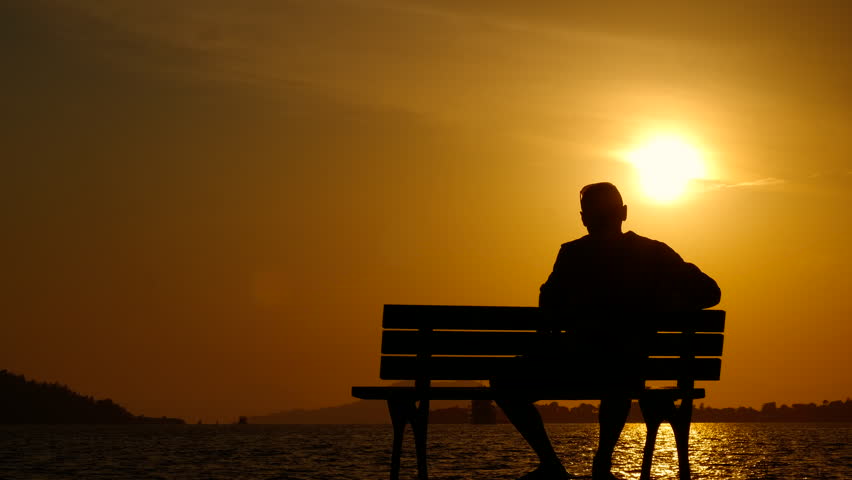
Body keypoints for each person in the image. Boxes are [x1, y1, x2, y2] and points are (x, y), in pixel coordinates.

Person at [492, 182, 721, 480]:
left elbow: (548, 307)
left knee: (503, 379)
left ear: (584, 218)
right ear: (623, 213)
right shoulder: (654, 254)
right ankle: (602, 464)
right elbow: (710, 292)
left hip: (573, 367)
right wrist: (664, 304)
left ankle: (551, 464)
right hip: (627, 369)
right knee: (619, 377)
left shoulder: (572, 255)